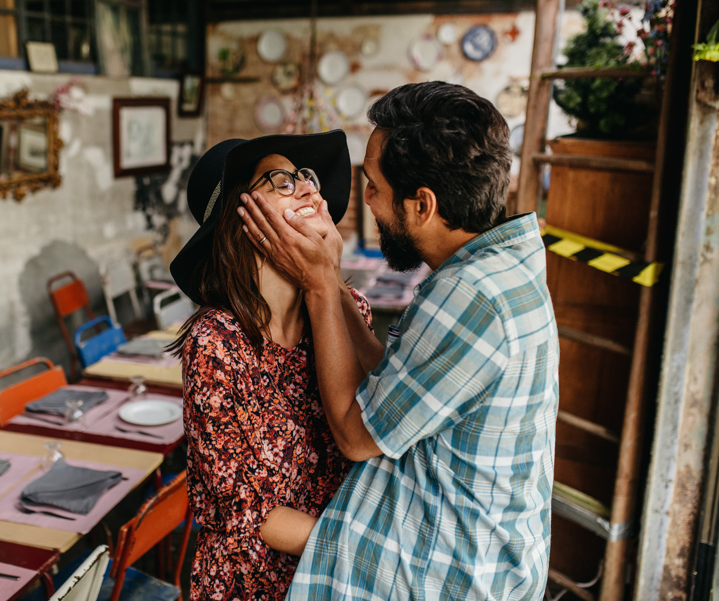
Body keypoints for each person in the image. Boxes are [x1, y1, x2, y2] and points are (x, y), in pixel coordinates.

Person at [238, 82, 559, 600]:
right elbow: (392, 387)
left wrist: (320, 286)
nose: (363, 198)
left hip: (455, 577)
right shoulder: (494, 268)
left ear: (422, 205)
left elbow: (355, 435)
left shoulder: (470, 295)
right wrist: (329, 278)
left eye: (374, 186)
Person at [168, 131, 373, 601]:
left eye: (306, 177)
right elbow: (251, 513)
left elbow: (378, 427)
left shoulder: (350, 311)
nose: (308, 189)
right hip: (254, 583)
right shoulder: (217, 344)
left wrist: (330, 278)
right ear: (242, 220)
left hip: (337, 580)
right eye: (281, 181)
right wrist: (367, 550)